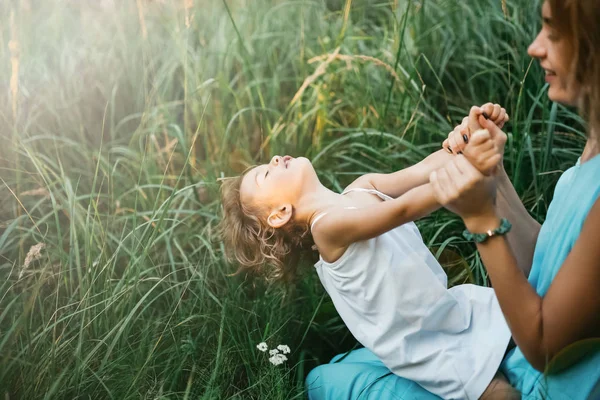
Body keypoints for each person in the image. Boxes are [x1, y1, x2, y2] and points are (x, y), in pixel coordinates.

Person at [307, 0, 600, 398]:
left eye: (553, 32)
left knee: (327, 381)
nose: (535, 46)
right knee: (348, 367)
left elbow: (544, 346)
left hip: (541, 385)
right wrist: (490, 173)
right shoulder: (592, 150)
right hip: (507, 351)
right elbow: (546, 263)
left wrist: (481, 219)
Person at [218, 109, 520, 398]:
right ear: (280, 213)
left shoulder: (362, 188)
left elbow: (425, 169)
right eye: (265, 176)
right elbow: (403, 209)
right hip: (422, 344)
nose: (273, 160)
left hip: (445, 309)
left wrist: (471, 137)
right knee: (500, 393)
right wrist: (470, 170)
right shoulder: (327, 229)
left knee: (517, 324)